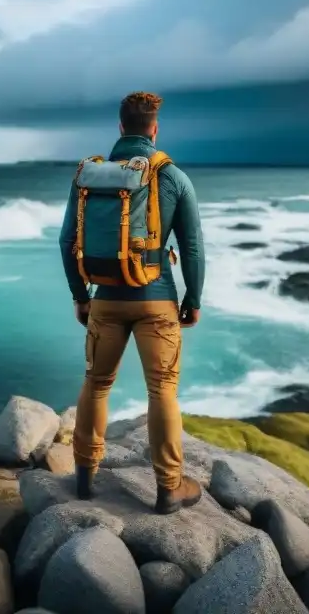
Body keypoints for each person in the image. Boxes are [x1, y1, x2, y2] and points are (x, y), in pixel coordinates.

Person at [59, 91, 206, 514]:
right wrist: (193, 299)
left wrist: (79, 295)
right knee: (162, 390)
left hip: (105, 299)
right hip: (157, 301)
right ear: (155, 129)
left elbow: (67, 240)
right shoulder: (173, 176)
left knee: (97, 384)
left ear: (120, 128)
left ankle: (85, 478)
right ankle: (169, 488)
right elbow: (192, 247)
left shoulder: (90, 176)